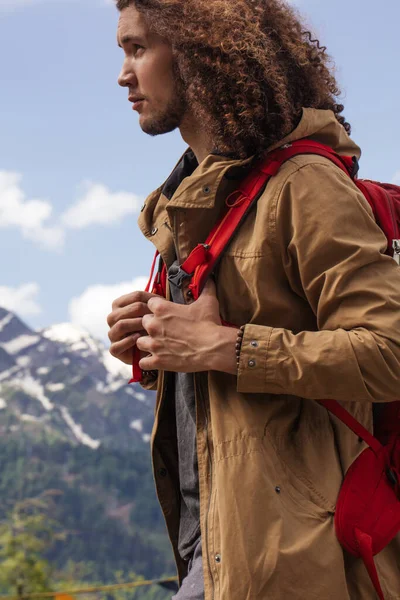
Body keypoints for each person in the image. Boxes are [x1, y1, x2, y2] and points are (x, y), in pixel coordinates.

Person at [107, 0, 400, 598]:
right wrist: (151, 343)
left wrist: (224, 348)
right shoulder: (197, 199)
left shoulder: (305, 186)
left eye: (138, 49)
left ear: (196, 51)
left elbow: (389, 352)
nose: (123, 74)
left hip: (298, 563)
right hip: (215, 550)